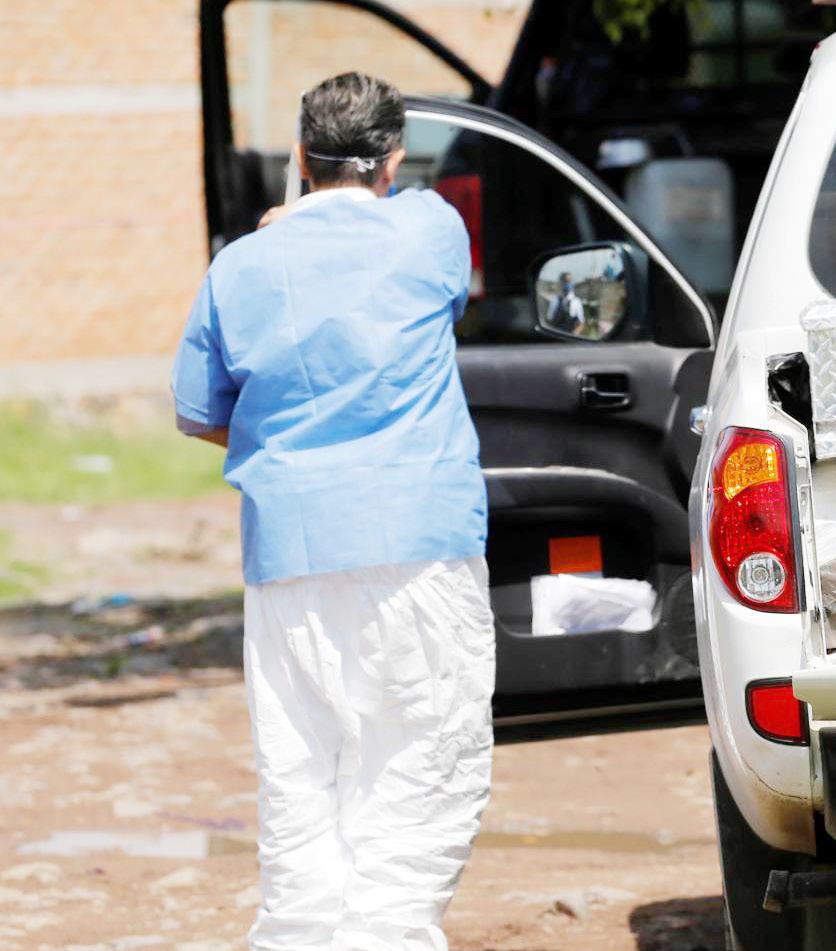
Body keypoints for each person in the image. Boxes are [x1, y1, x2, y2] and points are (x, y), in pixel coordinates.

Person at [170, 72, 493, 951]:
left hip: (289, 553)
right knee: (421, 764)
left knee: (300, 776)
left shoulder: (238, 267)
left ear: (298, 158)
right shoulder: (429, 231)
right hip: (420, 544)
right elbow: (421, 242)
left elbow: (200, 411)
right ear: (393, 159)